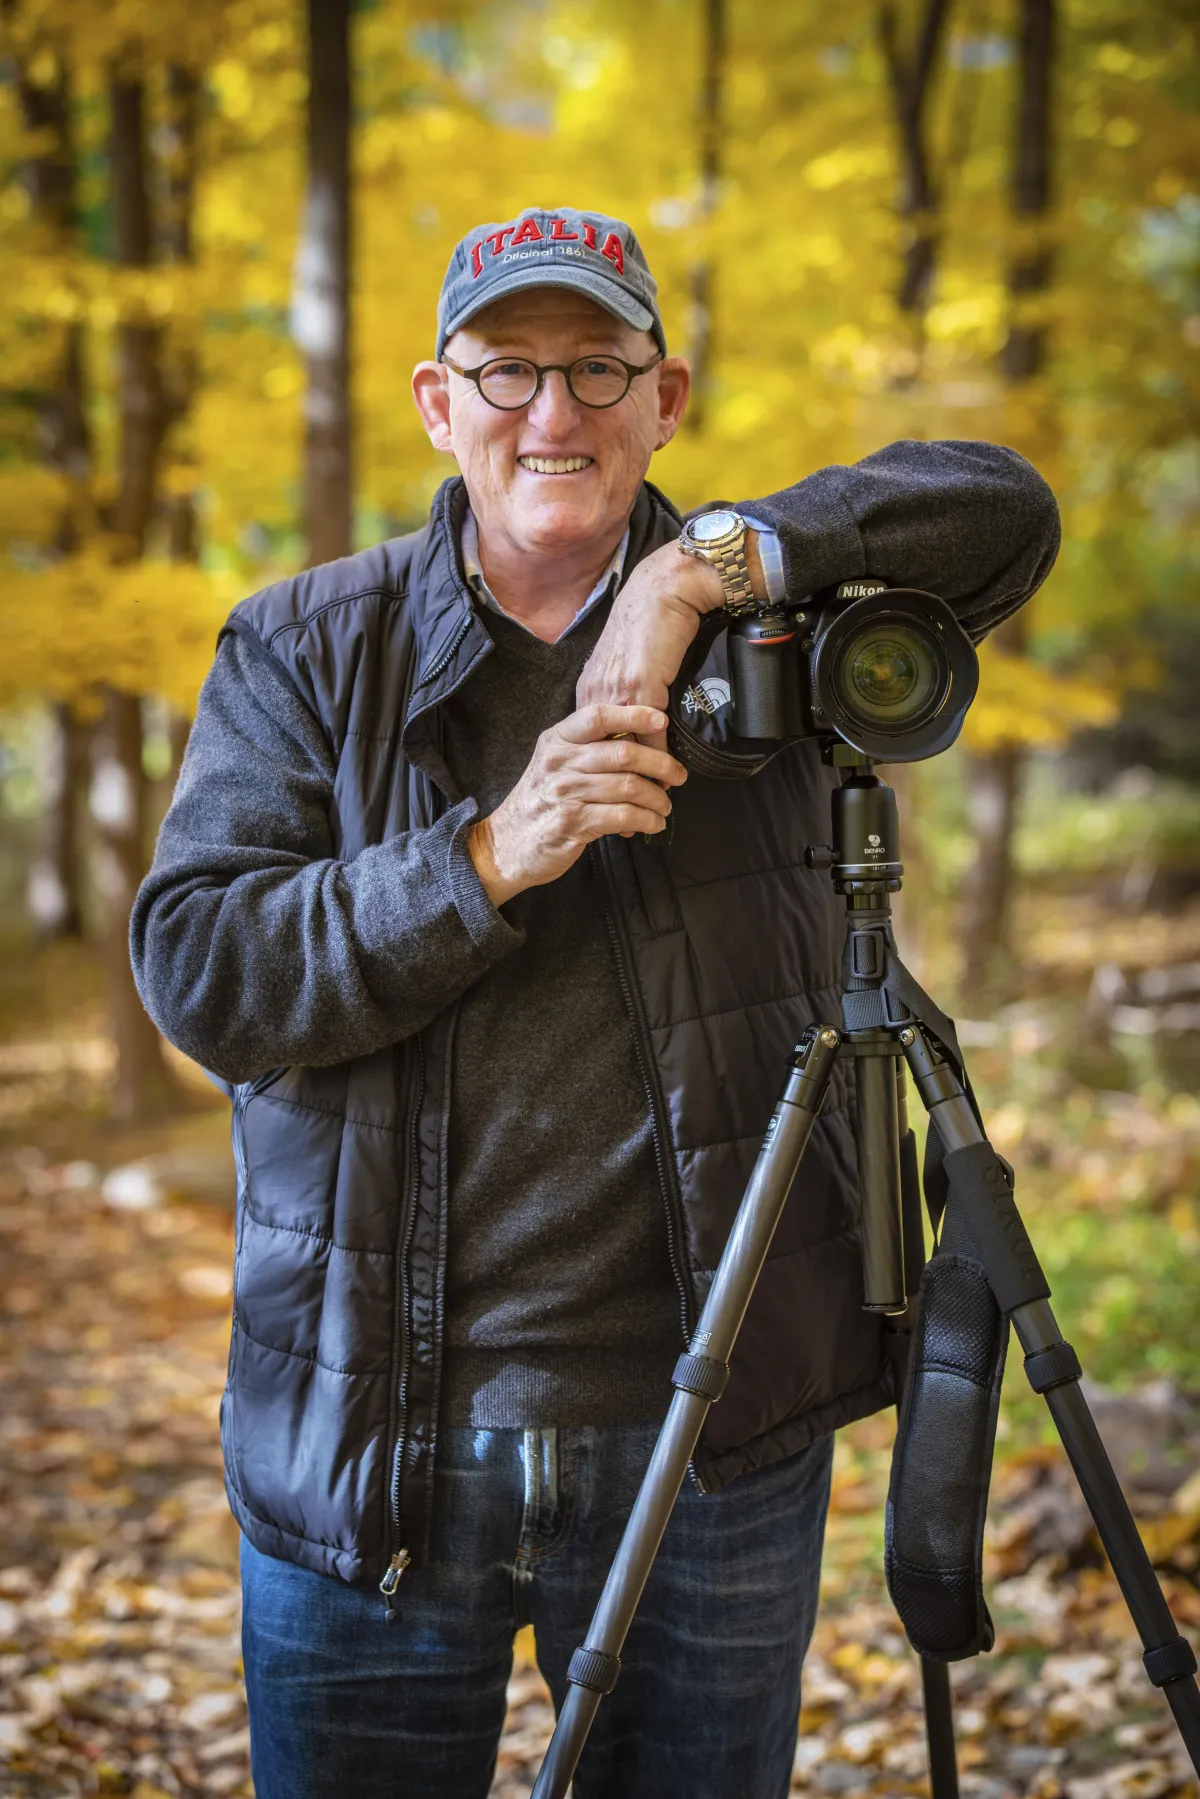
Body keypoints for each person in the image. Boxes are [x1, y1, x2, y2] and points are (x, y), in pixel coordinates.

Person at [131, 207, 1060, 1799]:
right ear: (439, 401)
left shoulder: (782, 634)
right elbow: (204, 970)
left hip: (713, 1428)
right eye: (505, 373)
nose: (550, 415)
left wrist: (699, 573)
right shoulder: (303, 649)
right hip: (374, 1432)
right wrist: (488, 854)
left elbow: (1005, 510)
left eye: (595, 370)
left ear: (664, 396)